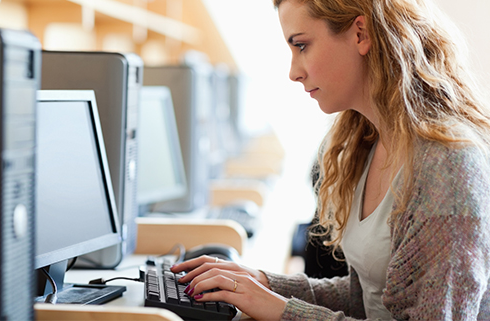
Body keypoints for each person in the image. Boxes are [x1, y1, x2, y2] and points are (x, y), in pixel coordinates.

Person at [171, 0, 490, 319]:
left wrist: (280, 310)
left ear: (360, 34)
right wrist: (263, 283)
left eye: (302, 46)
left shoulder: (446, 164)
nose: (294, 72)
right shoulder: (369, 140)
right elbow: (367, 297)